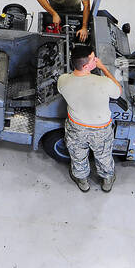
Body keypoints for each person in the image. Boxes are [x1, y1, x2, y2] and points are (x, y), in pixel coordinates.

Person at [55, 48, 120, 193]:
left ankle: (82, 180)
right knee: (104, 155)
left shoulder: (63, 80)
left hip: (76, 127)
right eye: (93, 59)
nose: (96, 60)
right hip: (101, 130)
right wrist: (103, 68)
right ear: (86, 66)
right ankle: (107, 180)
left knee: (77, 154)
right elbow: (118, 91)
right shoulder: (103, 82)